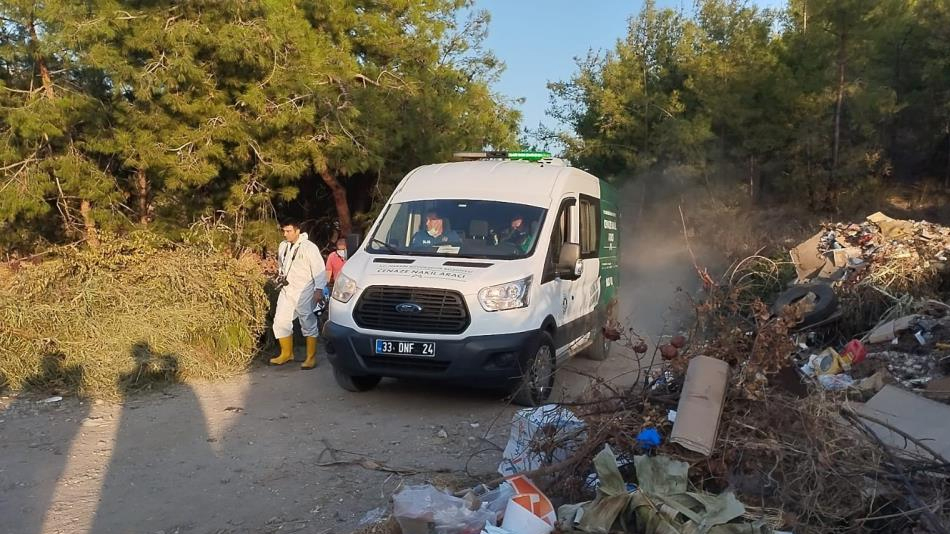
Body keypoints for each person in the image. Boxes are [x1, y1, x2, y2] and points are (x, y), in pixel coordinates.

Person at [271, 219, 327, 370]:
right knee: (280, 321)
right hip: (287, 290)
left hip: (305, 290)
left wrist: (319, 289)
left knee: (307, 321)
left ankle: (311, 357)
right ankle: (287, 353)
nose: (285, 234)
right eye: (284, 231)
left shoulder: (309, 247)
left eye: (288, 231)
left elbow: (319, 269)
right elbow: (281, 266)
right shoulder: (283, 246)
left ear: (297, 231)